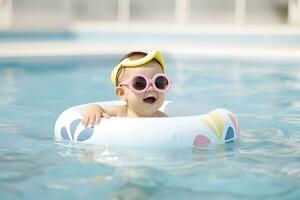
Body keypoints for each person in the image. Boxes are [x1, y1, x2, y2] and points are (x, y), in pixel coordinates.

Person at [80, 50, 172, 127]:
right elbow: (90, 108)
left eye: (159, 82)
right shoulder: (120, 113)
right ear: (122, 93)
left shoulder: (163, 118)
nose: (151, 88)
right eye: (140, 83)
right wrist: (94, 110)